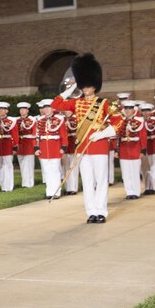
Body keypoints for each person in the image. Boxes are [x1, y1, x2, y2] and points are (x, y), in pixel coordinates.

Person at [51, 53, 122, 223]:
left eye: (87, 85)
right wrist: (71, 88)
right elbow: (56, 105)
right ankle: (91, 211)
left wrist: (103, 134)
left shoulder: (104, 103)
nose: (85, 89)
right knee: (88, 182)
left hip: (99, 146)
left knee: (101, 180)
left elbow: (118, 121)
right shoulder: (76, 103)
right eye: (83, 85)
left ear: (95, 86)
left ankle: (101, 212)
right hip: (82, 148)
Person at [35, 99, 67, 199]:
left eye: (48, 107)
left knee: (55, 171)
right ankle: (49, 192)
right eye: (45, 108)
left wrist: (63, 147)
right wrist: (36, 148)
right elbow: (36, 136)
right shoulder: (39, 121)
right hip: (43, 149)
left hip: (55, 148)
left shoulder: (59, 120)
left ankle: (56, 192)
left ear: (52, 108)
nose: (47, 110)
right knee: (47, 172)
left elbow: (63, 135)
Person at [116, 100, 146, 199]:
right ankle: (129, 192)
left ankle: (136, 192)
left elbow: (142, 136)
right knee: (125, 173)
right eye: (126, 109)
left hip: (135, 148)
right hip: (124, 149)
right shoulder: (121, 121)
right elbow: (117, 137)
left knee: (134, 171)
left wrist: (143, 150)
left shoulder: (139, 121)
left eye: (130, 109)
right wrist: (117, 150)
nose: (128, 111)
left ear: (133, 110)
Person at [140, 103, 155, 195]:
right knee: (144, 168)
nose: (146, 112)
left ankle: (153, 186)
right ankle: (147, 187)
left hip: (154, 145)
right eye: (144, 111)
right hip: (143, 146)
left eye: (148, 110)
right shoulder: (139, 121)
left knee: (154, 167)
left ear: (150, 111)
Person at [0, 101, 18, 192]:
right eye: (0, 109)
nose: (1, 111)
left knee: (8, 166)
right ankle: (3, 186)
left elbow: (14, 134)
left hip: (7, 145)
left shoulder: (11, 121)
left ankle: (9, 186)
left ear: (7, 111)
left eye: (3, 109)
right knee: (0, 166)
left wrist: (15, 146)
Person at [16, 102, 38, 188]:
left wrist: (35, 145)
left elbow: (34, 133)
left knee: (29, 164)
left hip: (29, 144)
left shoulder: (32, 120)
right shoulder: (17, 120)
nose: (22, 111)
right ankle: (25, 182)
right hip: (20, 144)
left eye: (24, 109)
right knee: (22, 164)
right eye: (20, 109)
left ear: (27, 110)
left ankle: (30, 183)